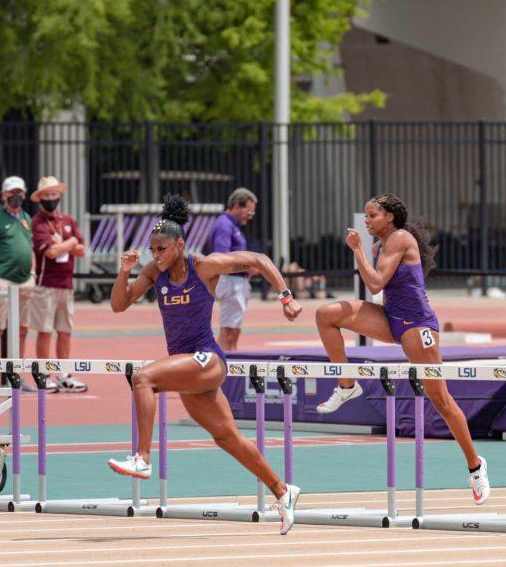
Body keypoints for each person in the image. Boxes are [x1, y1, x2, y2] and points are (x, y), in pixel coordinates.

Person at [108, 194, 302, 534]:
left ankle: (142, 458)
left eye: (163, 249)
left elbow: (257, 258)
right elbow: (119, 305)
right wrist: (124, 272)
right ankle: (283, 491)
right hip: (188, 366)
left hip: (208, 358)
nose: (156, 256)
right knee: (227, 438)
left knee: (143, 378)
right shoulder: (155, 272)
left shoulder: (204, 266)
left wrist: (286, 297)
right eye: (152, 250)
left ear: (179, 245)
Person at [313, 194, 491, 505]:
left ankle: (476, 466)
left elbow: (376, 283)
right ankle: (346, 384)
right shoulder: (380, 243)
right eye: (366, 216)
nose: (367, 221)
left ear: (390, 217)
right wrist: (364, 251)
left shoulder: (399, 238)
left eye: (373, 216)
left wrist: (356, 251)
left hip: (417, 326)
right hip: (390, 318)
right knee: (326, 314)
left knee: (441, 399)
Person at [29, 176, 88, 393]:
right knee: (44, 331)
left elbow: (82, 249)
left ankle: (63, 373)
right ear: (40, 198)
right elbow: (51, 252)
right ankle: (43, 374)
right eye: (47, 195)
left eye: (54, 194)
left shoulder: (68, 220)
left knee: (65, 330)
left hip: (66, 283)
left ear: (59, 196)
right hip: (46, 284)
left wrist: (67, 245)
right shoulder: (38, 223)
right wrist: (70, 243)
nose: (51, 198)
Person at [0, 176, 35, 388]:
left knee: (22, 329)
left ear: (25, 194)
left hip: (24, 282)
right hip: (3, 281)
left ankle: (16, 377)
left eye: (19, 192)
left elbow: (30, 248)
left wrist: (34, 274)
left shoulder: (26, 217)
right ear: (3, 195)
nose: (16, 196)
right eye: (12, 193)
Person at [208, 188, 258, 351]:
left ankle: (231, 365)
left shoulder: (232, 226)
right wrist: (249, 267)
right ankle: (224, 369)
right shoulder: (225, 226)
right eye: (248, 212)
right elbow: (221, 260)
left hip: (236, 281)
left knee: (234, 330)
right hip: (230, 281)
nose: (250, 216)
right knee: (228, 331)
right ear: (236, 206)